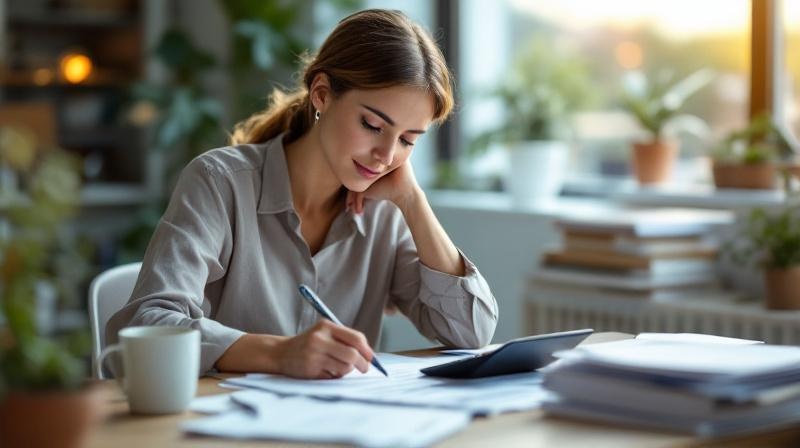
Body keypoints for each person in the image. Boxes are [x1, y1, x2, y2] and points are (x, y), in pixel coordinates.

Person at [107, 9, 498, 379]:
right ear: (322, 94)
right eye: (373, 124)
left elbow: (470, 332)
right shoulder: (220, 182)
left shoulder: (387, 211)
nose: (387, 156)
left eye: (408, 140)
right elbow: (147, 322)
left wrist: (413, 200)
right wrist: (279, 354)